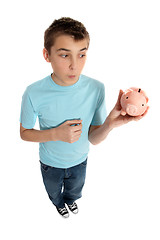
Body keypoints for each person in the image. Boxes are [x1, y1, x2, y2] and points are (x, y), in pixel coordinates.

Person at [20, 17, 148, 218]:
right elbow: (24, 133)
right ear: (47, 55)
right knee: (54, 192)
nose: (74, 65)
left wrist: (110, 124)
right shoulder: (33, 93)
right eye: (64, 55)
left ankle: (70, 201)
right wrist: (56, 134)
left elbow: (93, 139)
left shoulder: (96, 88)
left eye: (81, 55)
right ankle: (58, 204)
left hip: (80, 160)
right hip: (50, 163)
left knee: (75, 190)